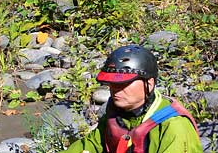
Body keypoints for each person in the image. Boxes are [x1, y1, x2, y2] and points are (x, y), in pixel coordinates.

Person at [61, 45, 202, 153]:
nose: (116, 89)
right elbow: (90, 145)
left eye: (125, 83)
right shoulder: (115, 116)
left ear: (150, 84)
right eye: (113, 83)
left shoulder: (174, 125)